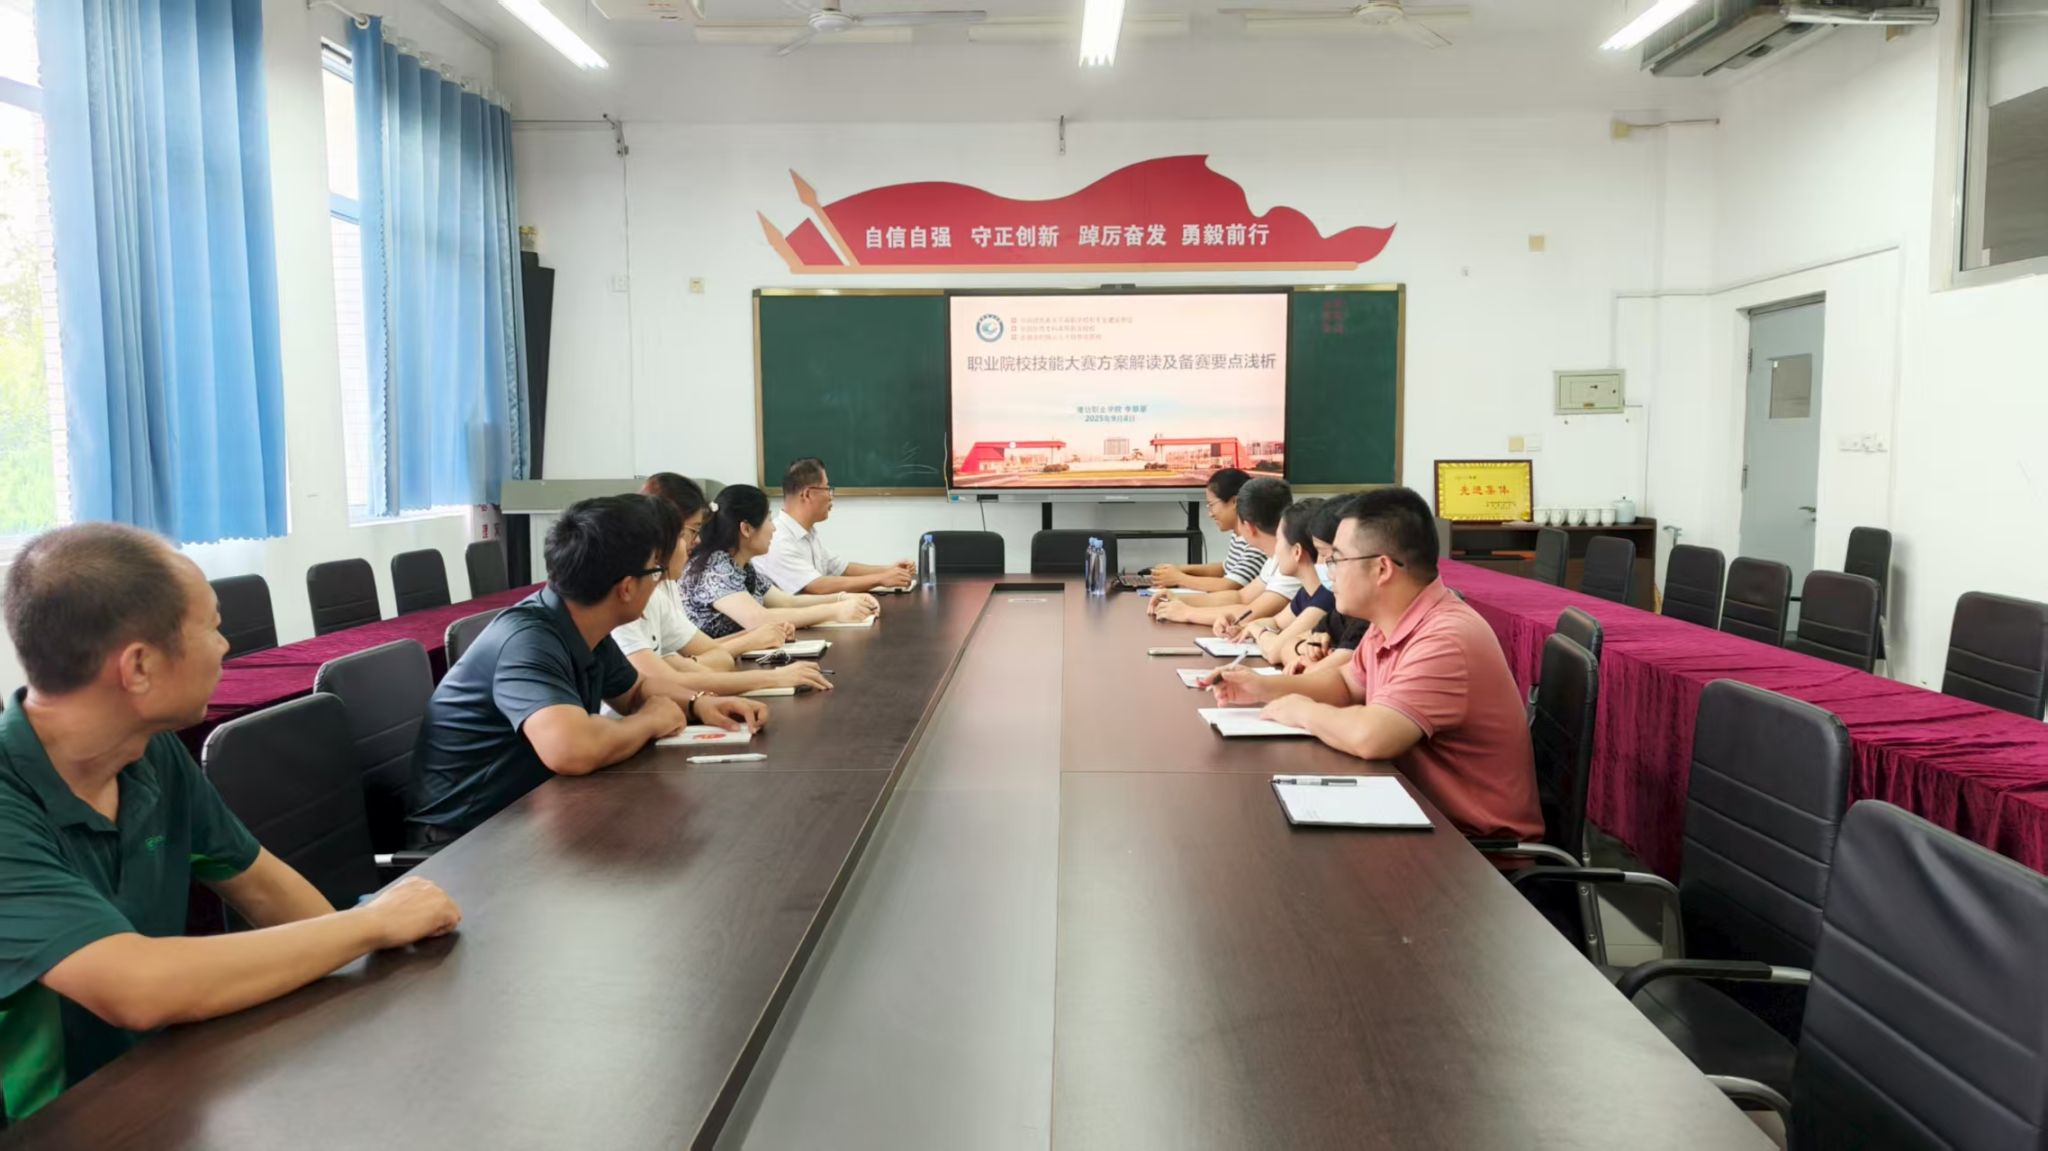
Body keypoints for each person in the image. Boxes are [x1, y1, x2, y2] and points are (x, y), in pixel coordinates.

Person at [0, 524, 462, 1121]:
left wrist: (374, 975)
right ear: (138, 666)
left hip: (161, 1088)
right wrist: (370, 924)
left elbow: (263, 887)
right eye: (212, 627)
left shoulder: (151, 753)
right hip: (54, 1123)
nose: (224, 646)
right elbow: (137, 988)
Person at [408, 496, 767, 847]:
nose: (659, 582)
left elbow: (634, 691)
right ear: (627, 588)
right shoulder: (527, 641)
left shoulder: (582, 622)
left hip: (535, 816)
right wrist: (650, 721)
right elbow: (572, 750)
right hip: (464, 843)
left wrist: (698, 703)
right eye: (655, 572)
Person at [1208, 486, 1541, 842]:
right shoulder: (1392, 620)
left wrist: (1300, 709)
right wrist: (1262, 687)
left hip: (1473, 847)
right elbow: (1346, 684)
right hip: (1418, 814)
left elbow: (1372, 736)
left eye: (1335, 560)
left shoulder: (1446, 637)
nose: (1328, 572)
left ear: (1382, 568)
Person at [615, 490, 832, 698]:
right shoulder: (713, 566)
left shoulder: (657, 595)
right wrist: (771, 676)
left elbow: (722, 658)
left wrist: (684, 666)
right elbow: (663, 683)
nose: (696, 541)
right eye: (687, 533)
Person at [637, 473, 801, 665]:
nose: (697, 540)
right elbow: (672, 671)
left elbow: (699, 652)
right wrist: (752, 640)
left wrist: (762, 633)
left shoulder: (665, 585)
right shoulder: (713, 565)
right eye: (691, 531)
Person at [682, 484, 881, 639]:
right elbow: (757, 619)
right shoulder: (715, 567)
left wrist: (843, 598)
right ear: (746, 529)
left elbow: (787, 601)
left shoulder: (742, 566)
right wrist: (835, 611)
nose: (774, 528)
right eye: (768, 520)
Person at [1150, 476, 1300, 630]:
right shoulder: (1275, 558)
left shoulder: (1293, 562)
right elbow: (1241, 597)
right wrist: (1179, 599)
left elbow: (1250, 614)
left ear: (1248, 527)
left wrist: (1187, 612)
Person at [754, 458, 914, 596]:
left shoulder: (807, 533)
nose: (831, 496)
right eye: (827, 489)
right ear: (807, 494)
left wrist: (890, 570)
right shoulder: (778, 539)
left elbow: (841, 568)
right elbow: (817, 586)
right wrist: (881, 579)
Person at [1229, 498, 1334, 665]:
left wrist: (1256, 630)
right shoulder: (1307, 591)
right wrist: (1245, 627)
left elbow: (1274, 651)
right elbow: (1277, 622)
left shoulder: (1327, 598)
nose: (1276, 549)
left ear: (1297, 551)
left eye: (1278, 541)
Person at [1148, 469, 1265, 593]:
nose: (1210, 514)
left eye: (1211, 505)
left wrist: (1178, 578)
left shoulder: (1256, 541)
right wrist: (1179, 569)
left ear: (1234, 502)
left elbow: (1229, 585)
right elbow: (1226, 569)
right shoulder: (1238, 535)